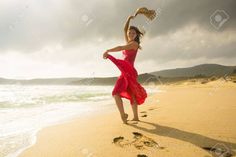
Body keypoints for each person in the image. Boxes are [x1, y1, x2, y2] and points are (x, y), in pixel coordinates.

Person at [103, 15, 147, 124]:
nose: (131, 34)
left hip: (129, 71)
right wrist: (129, 18)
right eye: (130, 33)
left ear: (136, 35)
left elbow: (121, 48)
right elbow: (124, 29)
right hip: (126, 71)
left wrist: (108, 50)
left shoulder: (134, 44)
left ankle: (123, 116)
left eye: (133, 33)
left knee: (115, 93)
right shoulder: (129, 41)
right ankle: (134, 117)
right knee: (130, 93)